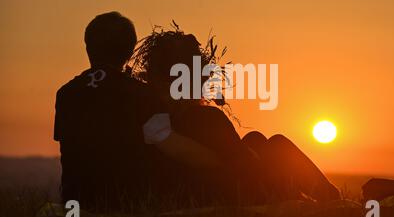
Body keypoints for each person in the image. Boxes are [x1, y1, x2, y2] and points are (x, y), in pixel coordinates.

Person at [131, 29, 341, 206]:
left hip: (192, 190)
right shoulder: (206, 119)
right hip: (231, 195)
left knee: (255, 139)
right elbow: (244, 167)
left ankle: (328, 198)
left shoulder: (150, 115)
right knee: (277, 145)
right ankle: (334, 201)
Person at [54, 12, 217, 213]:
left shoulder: (66, 94)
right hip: (127, 203)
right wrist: (222, 163)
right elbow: (174, 148)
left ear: (88, 48)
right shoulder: (141, 95)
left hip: (77, 204)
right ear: (130, 51)